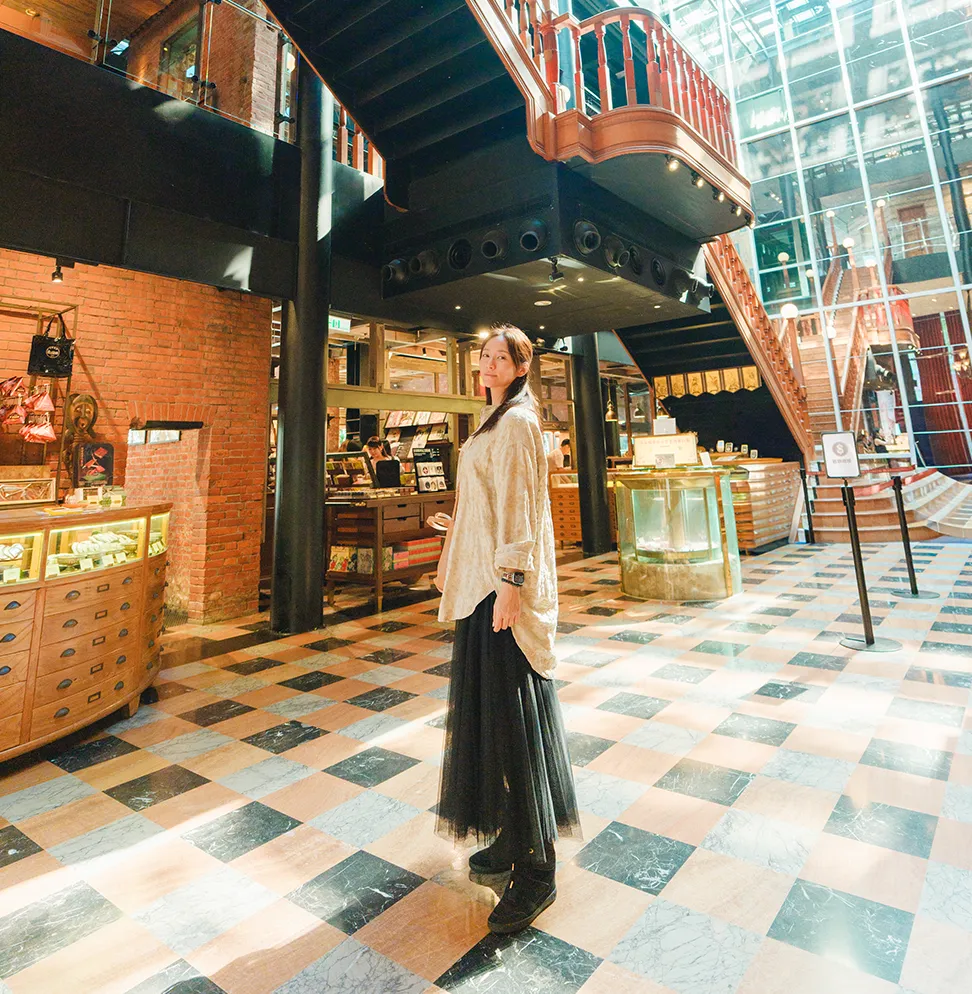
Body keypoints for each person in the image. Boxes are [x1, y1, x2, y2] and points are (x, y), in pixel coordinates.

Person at [432, 324, 578, 935]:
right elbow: (485, 505)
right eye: (485, 355)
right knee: (492, 717)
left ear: (521, 367)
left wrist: (513, 581)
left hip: (500, 591)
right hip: (479, 586)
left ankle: (538, 868)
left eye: (501, 357)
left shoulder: (518, 422)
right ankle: (513, 836)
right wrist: (456, 542)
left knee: (515, 723)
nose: (489, 364)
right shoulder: (491, 421)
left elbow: (521, 507)